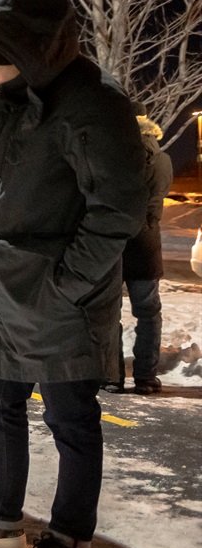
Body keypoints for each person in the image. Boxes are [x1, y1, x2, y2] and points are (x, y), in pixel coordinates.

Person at [0, 0, 148, 548]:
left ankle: (70, 535)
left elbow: (118, 209)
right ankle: (0, 517)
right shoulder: (11, 99)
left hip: (56, 301)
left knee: (69, 418)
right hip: (1, 292)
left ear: (26, 52)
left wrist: (67, 284)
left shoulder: (92, 103)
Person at [102, 102, 172, 395]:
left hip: (113, 243)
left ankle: (112, 376)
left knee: (109, 313)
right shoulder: (163, 160)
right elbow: (158, 200)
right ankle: (146, 377)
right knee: (148, 312)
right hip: (146, 243)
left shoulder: (111, 155)